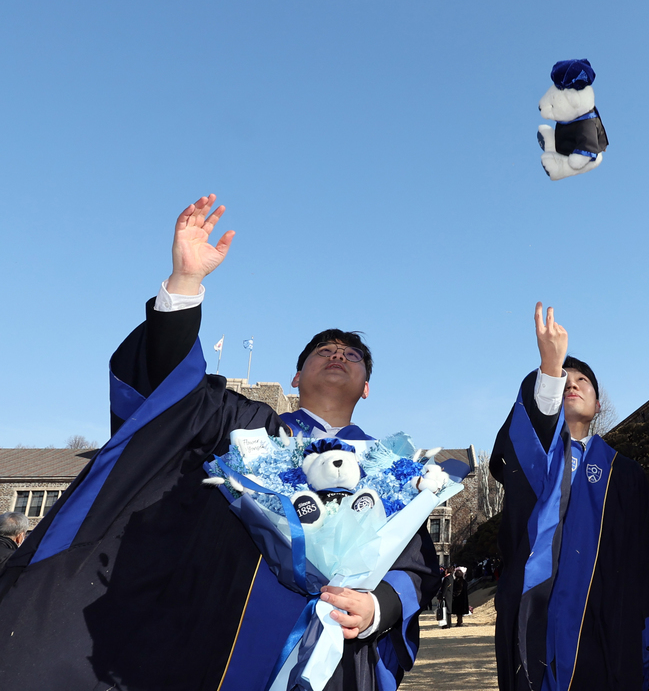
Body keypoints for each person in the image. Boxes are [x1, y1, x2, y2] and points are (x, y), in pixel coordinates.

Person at [0, 195, 440, 691]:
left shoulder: (394, 468)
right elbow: (166, 399)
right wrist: (185, 284)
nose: (338, 355)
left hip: (334, 654)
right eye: (324, 351)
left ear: (366, 388)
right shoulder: (241, 427)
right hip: (215, 634)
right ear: (296, 377)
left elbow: (416, 563)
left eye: (351, 355)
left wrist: (378, 606)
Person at [490, 303, 649, 691]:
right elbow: (522, 444)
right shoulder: (532, 462)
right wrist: (550, 368)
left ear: (597, 405)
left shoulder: (625, 474)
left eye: (582, 380)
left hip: (610, 633)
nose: (571, 383)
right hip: (537, 629)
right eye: (563, 379)